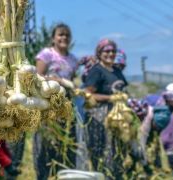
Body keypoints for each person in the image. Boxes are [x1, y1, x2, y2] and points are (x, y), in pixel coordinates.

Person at [34, 23, 78, 180]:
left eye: (67, 35)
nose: (64, 37)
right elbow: (36, 78)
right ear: (53, 38)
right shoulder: (46, 54)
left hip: (66, 108)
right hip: (48, 107)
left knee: (66, 146)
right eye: (60, 34)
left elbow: (72, 83)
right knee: (46, 147)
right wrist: (57, 80)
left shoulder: (73, 59)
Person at [83, 39, 128, 178]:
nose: (110, 54)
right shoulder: (96, 71)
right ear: (99, 53)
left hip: (118, 118)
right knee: (103, 155)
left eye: (113, 51)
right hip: (99, 118)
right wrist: (110, 98)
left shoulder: (117, 71)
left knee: (118, 154)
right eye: (107, 51)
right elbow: (88, 95)